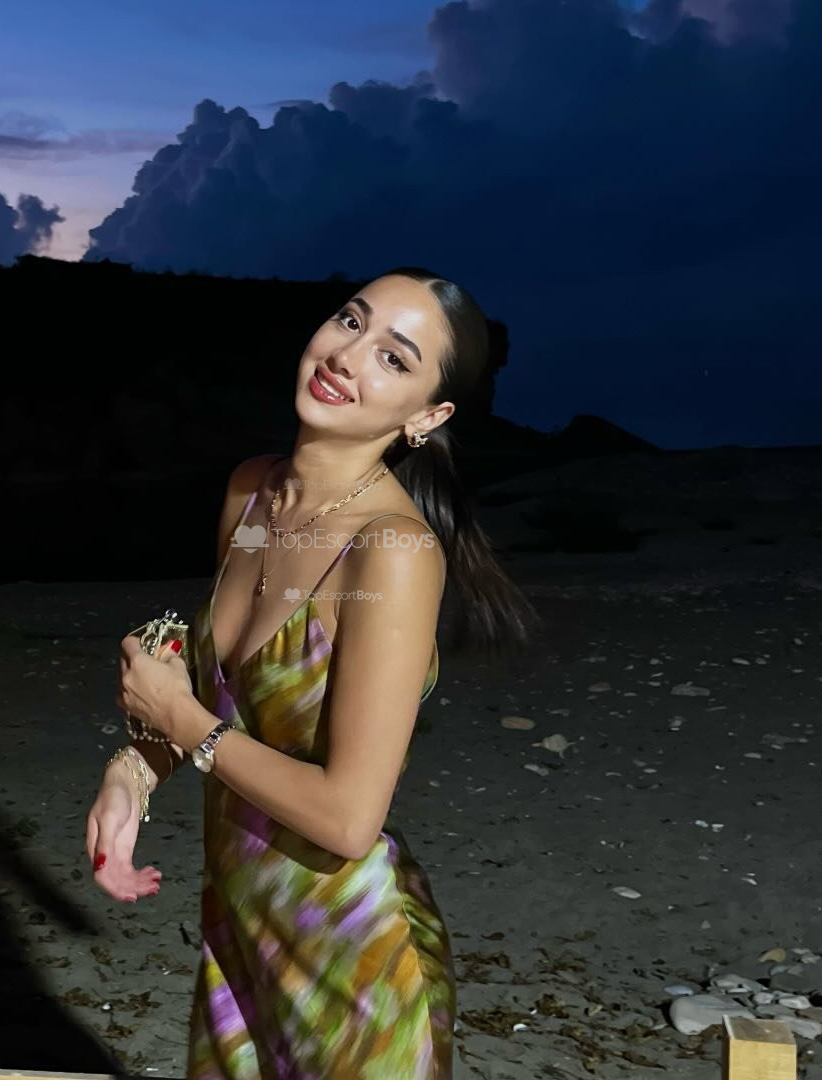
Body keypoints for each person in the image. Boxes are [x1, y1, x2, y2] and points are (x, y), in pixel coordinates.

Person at [86, 267, 540, 1079]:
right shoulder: (250, 495)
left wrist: (180, 722)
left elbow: (348, 818)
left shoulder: (391, 553)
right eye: (350, 322)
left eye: (394, 359)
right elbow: (219, 694)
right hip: (239, 942)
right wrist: (136, 771)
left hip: (352, 969)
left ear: (427, 417)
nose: (347, 356)